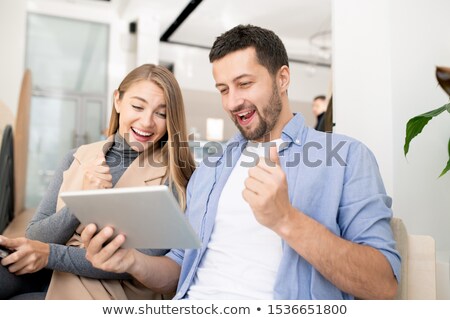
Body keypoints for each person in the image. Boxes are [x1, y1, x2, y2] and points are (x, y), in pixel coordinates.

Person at [82, 25, 401, 300]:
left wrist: (286, 220)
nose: (232, 102)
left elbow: (383, 284)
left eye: (245, 84)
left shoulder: (346, 156)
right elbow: (180, 266)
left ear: (282, 78)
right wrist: (130, 262)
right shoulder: (211, 167)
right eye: (223, 89)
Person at [0, 64, 196, 299]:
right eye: (137, 106)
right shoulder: (76, 156)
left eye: (161, 113)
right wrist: (79, 204)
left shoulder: (173, 176)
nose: (146, 122)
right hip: (52, 273)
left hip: (108, 291)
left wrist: (51, 254)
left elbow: (144, 257)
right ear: (118, 101)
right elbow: (36, 238)